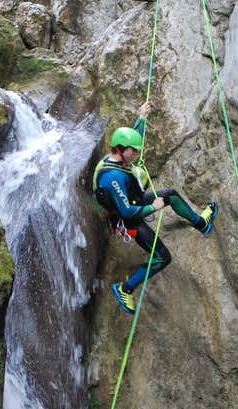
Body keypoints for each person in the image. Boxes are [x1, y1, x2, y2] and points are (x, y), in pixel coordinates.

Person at [92, 102, 218, 315]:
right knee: (162, 257)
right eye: (134, 151)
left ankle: (200, 223)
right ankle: (125, 289)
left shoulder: (117, 158)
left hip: (134, 201)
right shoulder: (112, 177)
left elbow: (131, 140)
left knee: (170, 195)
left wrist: (141, 118)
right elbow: (127, 212)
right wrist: (152, 207)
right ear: (121, 151)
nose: (137, 153)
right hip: (128, 219)